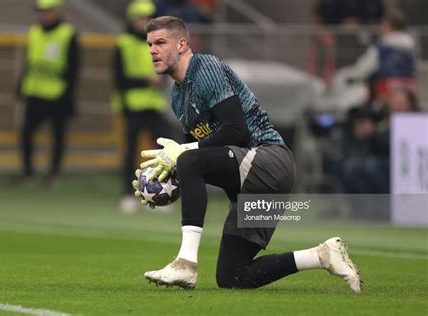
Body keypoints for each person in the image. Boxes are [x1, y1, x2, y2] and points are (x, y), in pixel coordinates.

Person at [132, 16, 361, 291]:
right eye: (149, 45)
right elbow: (202, 160)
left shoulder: (205, 68)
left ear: (182, 45)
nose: (152, 50)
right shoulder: (177, 97)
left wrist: (182, 157)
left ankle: (186, 264)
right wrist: (163, 183)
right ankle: (322, 255)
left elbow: (235, 131)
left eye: (160, 42)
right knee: (233, 277)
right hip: (253, 183)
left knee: (187, 158)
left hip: (269, 159)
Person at [113, 0, 170, 213]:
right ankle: (128, 194)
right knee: (130, 152)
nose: (144, 22)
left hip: (155, 104)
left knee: (164, 153)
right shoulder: (124, 43)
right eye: (140, 18)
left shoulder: (158, 43)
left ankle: (160, 193)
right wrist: (146, 81)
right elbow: (119, 79)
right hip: (132, 104)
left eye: (148, 18)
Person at [16, 0, 80, 185]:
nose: (43, 15)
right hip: (34, 91)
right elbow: (28, 61)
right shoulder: (34, 31)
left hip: (58, 94)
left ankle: (53, 173)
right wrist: (20, 86)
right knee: (26, 133)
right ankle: (27, 172)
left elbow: (74, 67)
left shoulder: (67, 33)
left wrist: (68, 94)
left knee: (58, 136)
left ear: (57, 12)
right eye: (41, 11)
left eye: (47, 11)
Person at [347, 8, 416, 102]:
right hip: (408, 89)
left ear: (389, 26)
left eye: (383, 25)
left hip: (385, 90)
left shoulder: (380, 48)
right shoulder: (410, 47)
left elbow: (364, 68)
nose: (381, 29)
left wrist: (353, 77)